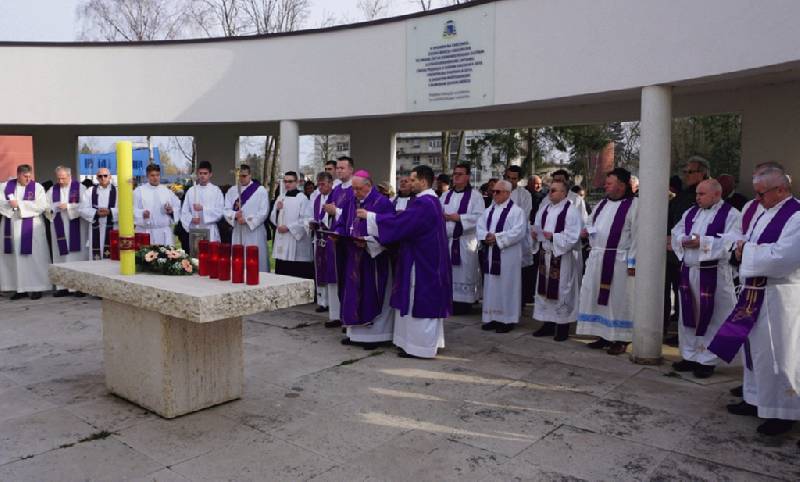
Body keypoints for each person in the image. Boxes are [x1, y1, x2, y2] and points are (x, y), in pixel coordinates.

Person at [711, 167, 800, 436]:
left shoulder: (796, 216)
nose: (757, 199)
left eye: (762, 194)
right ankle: (755, 398)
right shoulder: (764, 211)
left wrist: (746, 250)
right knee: (755, 350)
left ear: (781, 190)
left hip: (778, 296)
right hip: (754, 291)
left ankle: (782, 411)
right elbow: (751, 242)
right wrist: (744, 247)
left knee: (778, 354)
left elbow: (782, 258)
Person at [357, 165, 452, 358]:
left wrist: (371, 217)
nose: (410, 182)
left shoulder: (424, 203)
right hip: (424, 256)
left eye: (413, 179)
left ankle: (420, 348)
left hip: (422, 261)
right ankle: (410, 343)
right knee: (414, 299)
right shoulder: (431, 201)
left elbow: (402, 224)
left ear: (423, 182)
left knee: (419, 300)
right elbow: (406, 221)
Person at [670, 179, 739, 377]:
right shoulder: (691, 212)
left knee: (714, 317)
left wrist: (703, 243)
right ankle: (690, 355)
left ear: (716, 194)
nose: (697, 198)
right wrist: (683, 240)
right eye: (697, 194)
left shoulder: (732, 214)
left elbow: (733, 240)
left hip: (713, 274)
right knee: (689, 316)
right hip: (689, 272)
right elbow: (676, 232)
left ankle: (708, 360)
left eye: (702, 194)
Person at [576, 168, 638, 355]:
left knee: (618, 300)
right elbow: (590, 223)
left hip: (619, 261)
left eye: (609, 183)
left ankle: (621, 338)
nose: (605, 186)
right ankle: (603, 335)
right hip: (598, 257)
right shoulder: (602, 203)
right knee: (598, 297)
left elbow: (638, 236)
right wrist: (587, 231)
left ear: (622, 185)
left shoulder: (635, 205)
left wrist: (633, 263)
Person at [337, 171, 395, 349]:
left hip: (373, 258)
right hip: (353, 256)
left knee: (372, 294)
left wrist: (369, 240)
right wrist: (337, 233)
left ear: (368, 186)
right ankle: (354, 334)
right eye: (353, 189)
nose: (355, 193)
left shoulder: (382, 202)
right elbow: (341, 222)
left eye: (358, 189)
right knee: (352, 295)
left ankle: (375, 337)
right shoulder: (351, 201)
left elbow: (391, 227)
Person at [665, 156, 710, 342]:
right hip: (672, 253)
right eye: (685, 172)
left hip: (690, 256)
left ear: (702, 173)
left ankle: (687, 336)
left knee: (688, 298)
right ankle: (670, 329)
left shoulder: (706, 198)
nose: (686, 175)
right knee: (672, 294)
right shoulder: (682, 196)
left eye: (690, 172)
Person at [531, 179, 583, 341]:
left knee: (562, 290)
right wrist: (535, 234)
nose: (550, 193)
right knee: (545, 290)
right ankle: (548, 324)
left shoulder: (571, 211)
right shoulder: (544, 209)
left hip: (562, 257)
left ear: (563, 193)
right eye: (550, 190)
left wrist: (553, 236)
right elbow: (537, 227)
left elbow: (573, 236)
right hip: (545, 255)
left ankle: (562, 326)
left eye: (553, 190)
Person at [477, 180, 527, 332]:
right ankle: (492, 317)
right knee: (491, 286)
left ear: (507, 193)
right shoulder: (489, 210)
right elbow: (480, 226)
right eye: (493, 191)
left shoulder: (517, 212)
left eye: (497, 191)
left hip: (507, 256)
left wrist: (497, 238)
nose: (494, 194)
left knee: (507, 286)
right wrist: (485, 236)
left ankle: (507, 320)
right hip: (491, 253)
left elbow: (519, 232)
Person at [0, 164, 49, 300]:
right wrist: (10, 205)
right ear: (18, 175)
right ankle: (19, 288)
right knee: (15, 258)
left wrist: (20, 205)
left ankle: (37, 287)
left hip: (32, 227)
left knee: (34, 258)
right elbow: (1, 202)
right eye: (25, 176)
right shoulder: (5, 186)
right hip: (11, 225)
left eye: (29, 176)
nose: (28, 179)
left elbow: (41, 206)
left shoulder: (37, 187)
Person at [441, 163, 484, 315]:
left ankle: (464, 304)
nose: (456, 176)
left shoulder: (476, 196)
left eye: (460, 174)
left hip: (465, 241)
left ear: (468, 177)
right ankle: (449, 301)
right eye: (455, 174)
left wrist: (459, 218)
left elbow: (480, 218)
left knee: (465, 273)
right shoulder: (445, 195)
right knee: (448, 273)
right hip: (447, 241)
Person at [322, 156, 355, 328]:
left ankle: (347, 317)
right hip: (334, 238)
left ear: (351, 170)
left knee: (347, 278)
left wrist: (337, 211)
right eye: (338, 168)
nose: (339, 171)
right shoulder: (335, 190)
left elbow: (355, 214)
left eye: (343, 168)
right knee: (334, 276)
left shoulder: (355, 189)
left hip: (348, 241)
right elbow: (329, 210)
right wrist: (328, 211)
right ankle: (336, 315)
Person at [46, 166, 89, 296]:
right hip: (58, 227)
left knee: (77, 257)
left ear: (70, 176)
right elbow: (45, 206)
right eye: (58, 178)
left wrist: (69, 206)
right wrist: (51, 209)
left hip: (77, 227)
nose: (60, 181)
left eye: (63, 178)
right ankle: (62, 287)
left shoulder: (80, 188)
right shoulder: (52, 190)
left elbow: (85, 206)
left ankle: (79, 287)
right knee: (61, 257)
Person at [223, 164, 270, 271]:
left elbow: (263, 212)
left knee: (255, 259)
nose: (241, 178)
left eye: (244, 176)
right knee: (239, 259)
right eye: (239, 176)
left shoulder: (260, 190)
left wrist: (247, 220)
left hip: (254, 231)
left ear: (250, 175)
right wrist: (235, 215)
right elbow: (226, 209)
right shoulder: (232, 191)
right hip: (238, 230)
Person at [270, 171, 313, 278]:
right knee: (282, 272)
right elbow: (272, 217)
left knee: (295, 272)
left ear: (297, 182)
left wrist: (289, 227)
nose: (287, 184)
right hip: (282, 239)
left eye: (290, 181)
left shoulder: (302, 198)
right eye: (285, 181)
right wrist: (277, 210)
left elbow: (306, 219)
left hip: (294, 240)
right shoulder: (281, 197)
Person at [505, 165, 535, 307]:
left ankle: (519, 302)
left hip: (518, 237)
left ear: (519, 179)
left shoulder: (525, 195)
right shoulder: (500, 191)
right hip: (502, 237)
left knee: (519, 271)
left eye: (514, 178)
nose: (511, 181)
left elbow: (524, 215)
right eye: (508, 178)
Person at [307, 171, 335, 313]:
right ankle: (322, 301)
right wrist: (310, 223)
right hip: (319, 238)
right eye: (318, 184)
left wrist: (325, 222)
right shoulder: (316, 198)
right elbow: (309, 215)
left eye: (323, 184)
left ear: (330, 183)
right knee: (320, 269)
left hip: (330, 238)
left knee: (330, 269)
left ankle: (332, 302)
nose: (320, 187)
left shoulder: (335, 197)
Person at [133, 164, 180, 245]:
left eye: (157, 175)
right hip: (146, 232)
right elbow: (131, 209)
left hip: (163, 232)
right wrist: (142, 213)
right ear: (147, 176)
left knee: (165, 253)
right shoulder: (138, 191)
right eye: (152, 175)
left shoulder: (166, 191)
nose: (155, 178)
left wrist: (171, 211)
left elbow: (178, 207)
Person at [180, 161, 224, 243]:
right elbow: (184, 211)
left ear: (210, 174)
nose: (202, 176)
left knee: (211, 251)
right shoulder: (191, 191)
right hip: (195, 230)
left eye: (205, 173)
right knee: (196, 251)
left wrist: (203, 209)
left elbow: (220, 212)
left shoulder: (216, 191)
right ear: (197, 174)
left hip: (210, 230)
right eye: (200, 173)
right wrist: (191, 219)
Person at [80, 167, 118, 260]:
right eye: (100, 176)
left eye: (105, 176)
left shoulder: (118, 192)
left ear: (110, 177)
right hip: (96, 227)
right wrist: (96, 212)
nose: (103, 178)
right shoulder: (90, 191)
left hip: (113, 226)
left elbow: (125, 209)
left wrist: (111, 212)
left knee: (113, 256)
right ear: (97, 178)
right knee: (96, 256)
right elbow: (82, 209)